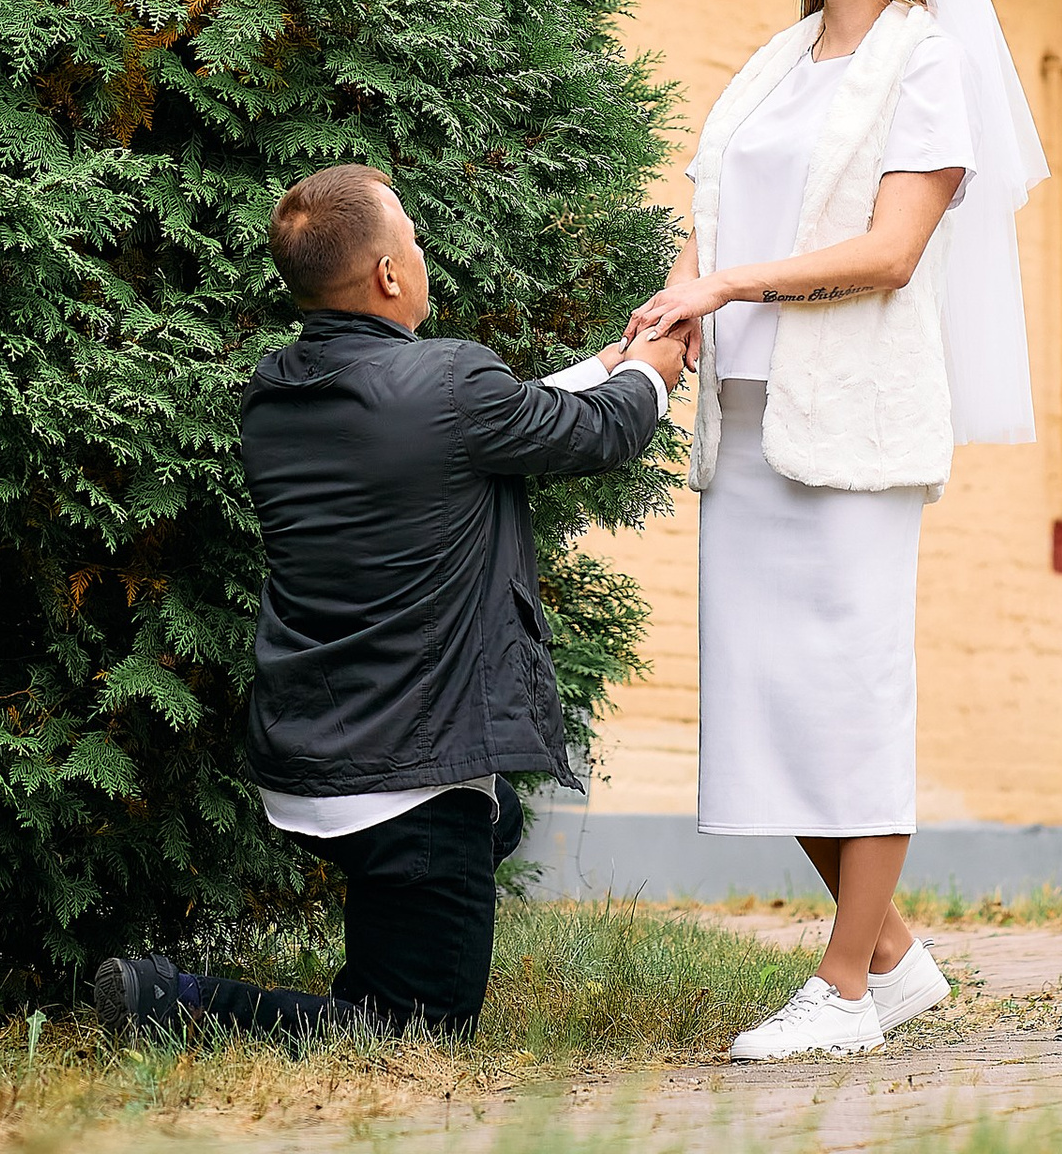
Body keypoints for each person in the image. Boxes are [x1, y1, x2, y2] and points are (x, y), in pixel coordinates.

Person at [624, 0, 1048, 1061]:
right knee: (767, 703)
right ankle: (900, 959)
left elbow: (891, 250)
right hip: (748, 427)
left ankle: (844, 995)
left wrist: (731, 287)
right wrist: (671, 304)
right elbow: (711, 213)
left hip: (855, 428)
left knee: (852, 699)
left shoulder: (927, 64)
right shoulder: (772, 65)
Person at [95, 165, 682, 1044]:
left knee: (493, 819)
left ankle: (416, 902)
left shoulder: (274, 391)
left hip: (315, 747)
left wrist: (608, 360)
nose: (420, 250)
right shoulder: (445, 386)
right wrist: (651, 372)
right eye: (409, 237)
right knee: (417, 1028)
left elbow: (497, 416)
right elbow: (597, 431)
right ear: (389, 276)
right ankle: (165, 1000)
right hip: (410, 775)